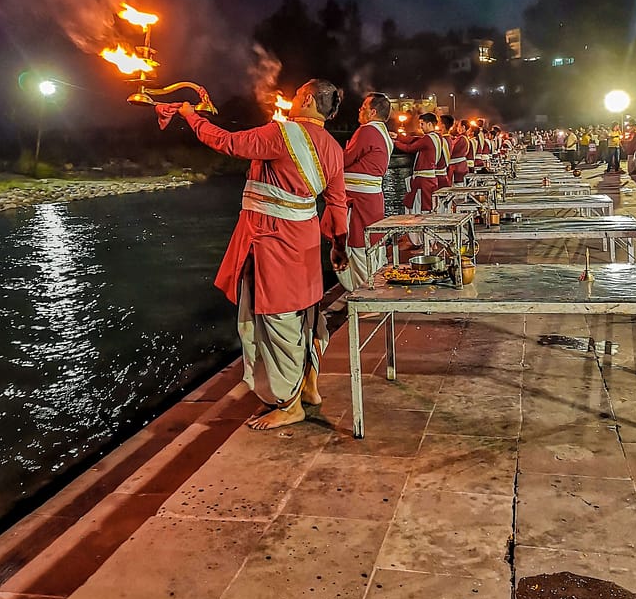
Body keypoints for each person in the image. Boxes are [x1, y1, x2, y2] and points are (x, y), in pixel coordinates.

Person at [161, 79, 348, 431]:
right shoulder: (334, 148)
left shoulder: (281, 135)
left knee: (277, 320)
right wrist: (339, 246)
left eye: (295, 95)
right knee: (305, 315)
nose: (292, 101)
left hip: (274, 241)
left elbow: (226, 142)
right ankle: (308, 389)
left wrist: (190, 116)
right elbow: (338, 204)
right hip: (306, 243)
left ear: (306, 98)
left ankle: (288, 404)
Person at [338, 92, 393, 291]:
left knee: (358, 246)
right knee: (372, 244)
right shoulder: (383, 133)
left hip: (359, 199)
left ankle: (366, 293)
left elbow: (345, 160)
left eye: (363, 108)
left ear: (373, 111)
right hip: (372, 198)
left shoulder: (367, 130)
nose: (359, 111)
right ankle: (375, 287)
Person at [395, 111, 442, 216]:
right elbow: (414, 139)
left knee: (420, 206)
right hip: (430, 177)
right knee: (428, 205)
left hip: (423, 179)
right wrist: (398, 136)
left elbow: (409, 148)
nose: (421, 127)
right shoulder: (437, 137)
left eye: (422, 124)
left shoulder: (427, 139)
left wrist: (394, 142)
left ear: (429, 124)